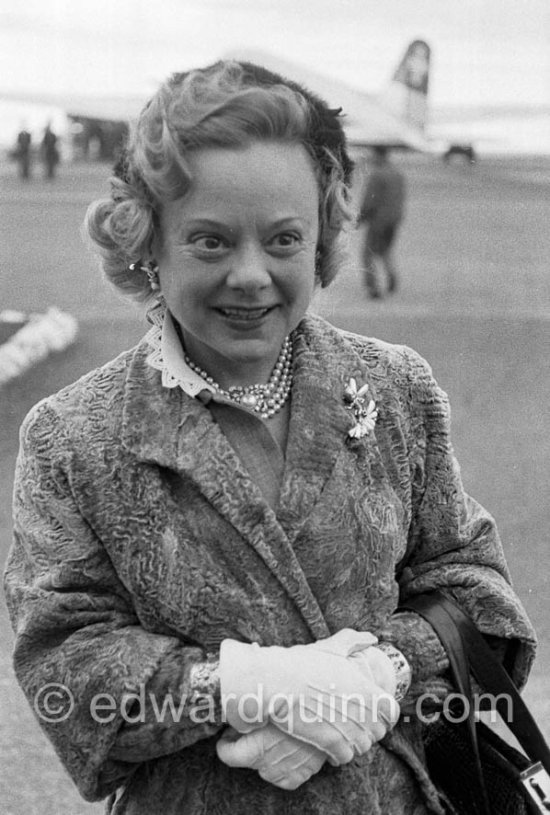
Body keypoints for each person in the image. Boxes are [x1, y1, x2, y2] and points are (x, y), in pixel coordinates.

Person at [4, 60, 536, 815]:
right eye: (211, 242)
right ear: (148, 243)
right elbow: (63, 673)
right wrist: (242, 688)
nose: (251, 275)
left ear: (321, 244)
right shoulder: (73, 437)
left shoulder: (395, 386)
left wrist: (378, 676)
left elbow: (481, 601)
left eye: (283, 239)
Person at [357, 145, 407, 298]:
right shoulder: (398, 174)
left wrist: (360, 218)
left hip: (378, 220)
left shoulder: (377, 175)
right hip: (394, 220)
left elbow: (370, 201)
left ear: (379, 155)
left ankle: (373, 288)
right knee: (385, 250)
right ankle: (392, 279)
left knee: (367, 254)